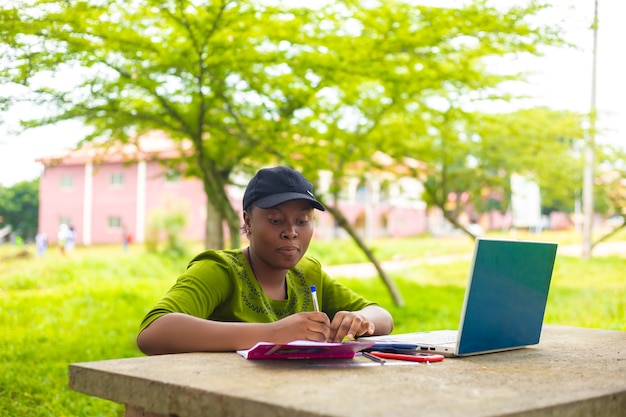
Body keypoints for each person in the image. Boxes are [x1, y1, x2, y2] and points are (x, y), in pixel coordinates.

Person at [137, 166, 394, 355]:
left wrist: (358, 319)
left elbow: (383, 316)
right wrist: (274, 334)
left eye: (302, 221)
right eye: (275, 220)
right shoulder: (220, 270)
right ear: (248, 222)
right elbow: (153, 333)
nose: (291, 232)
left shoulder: (307, 274)